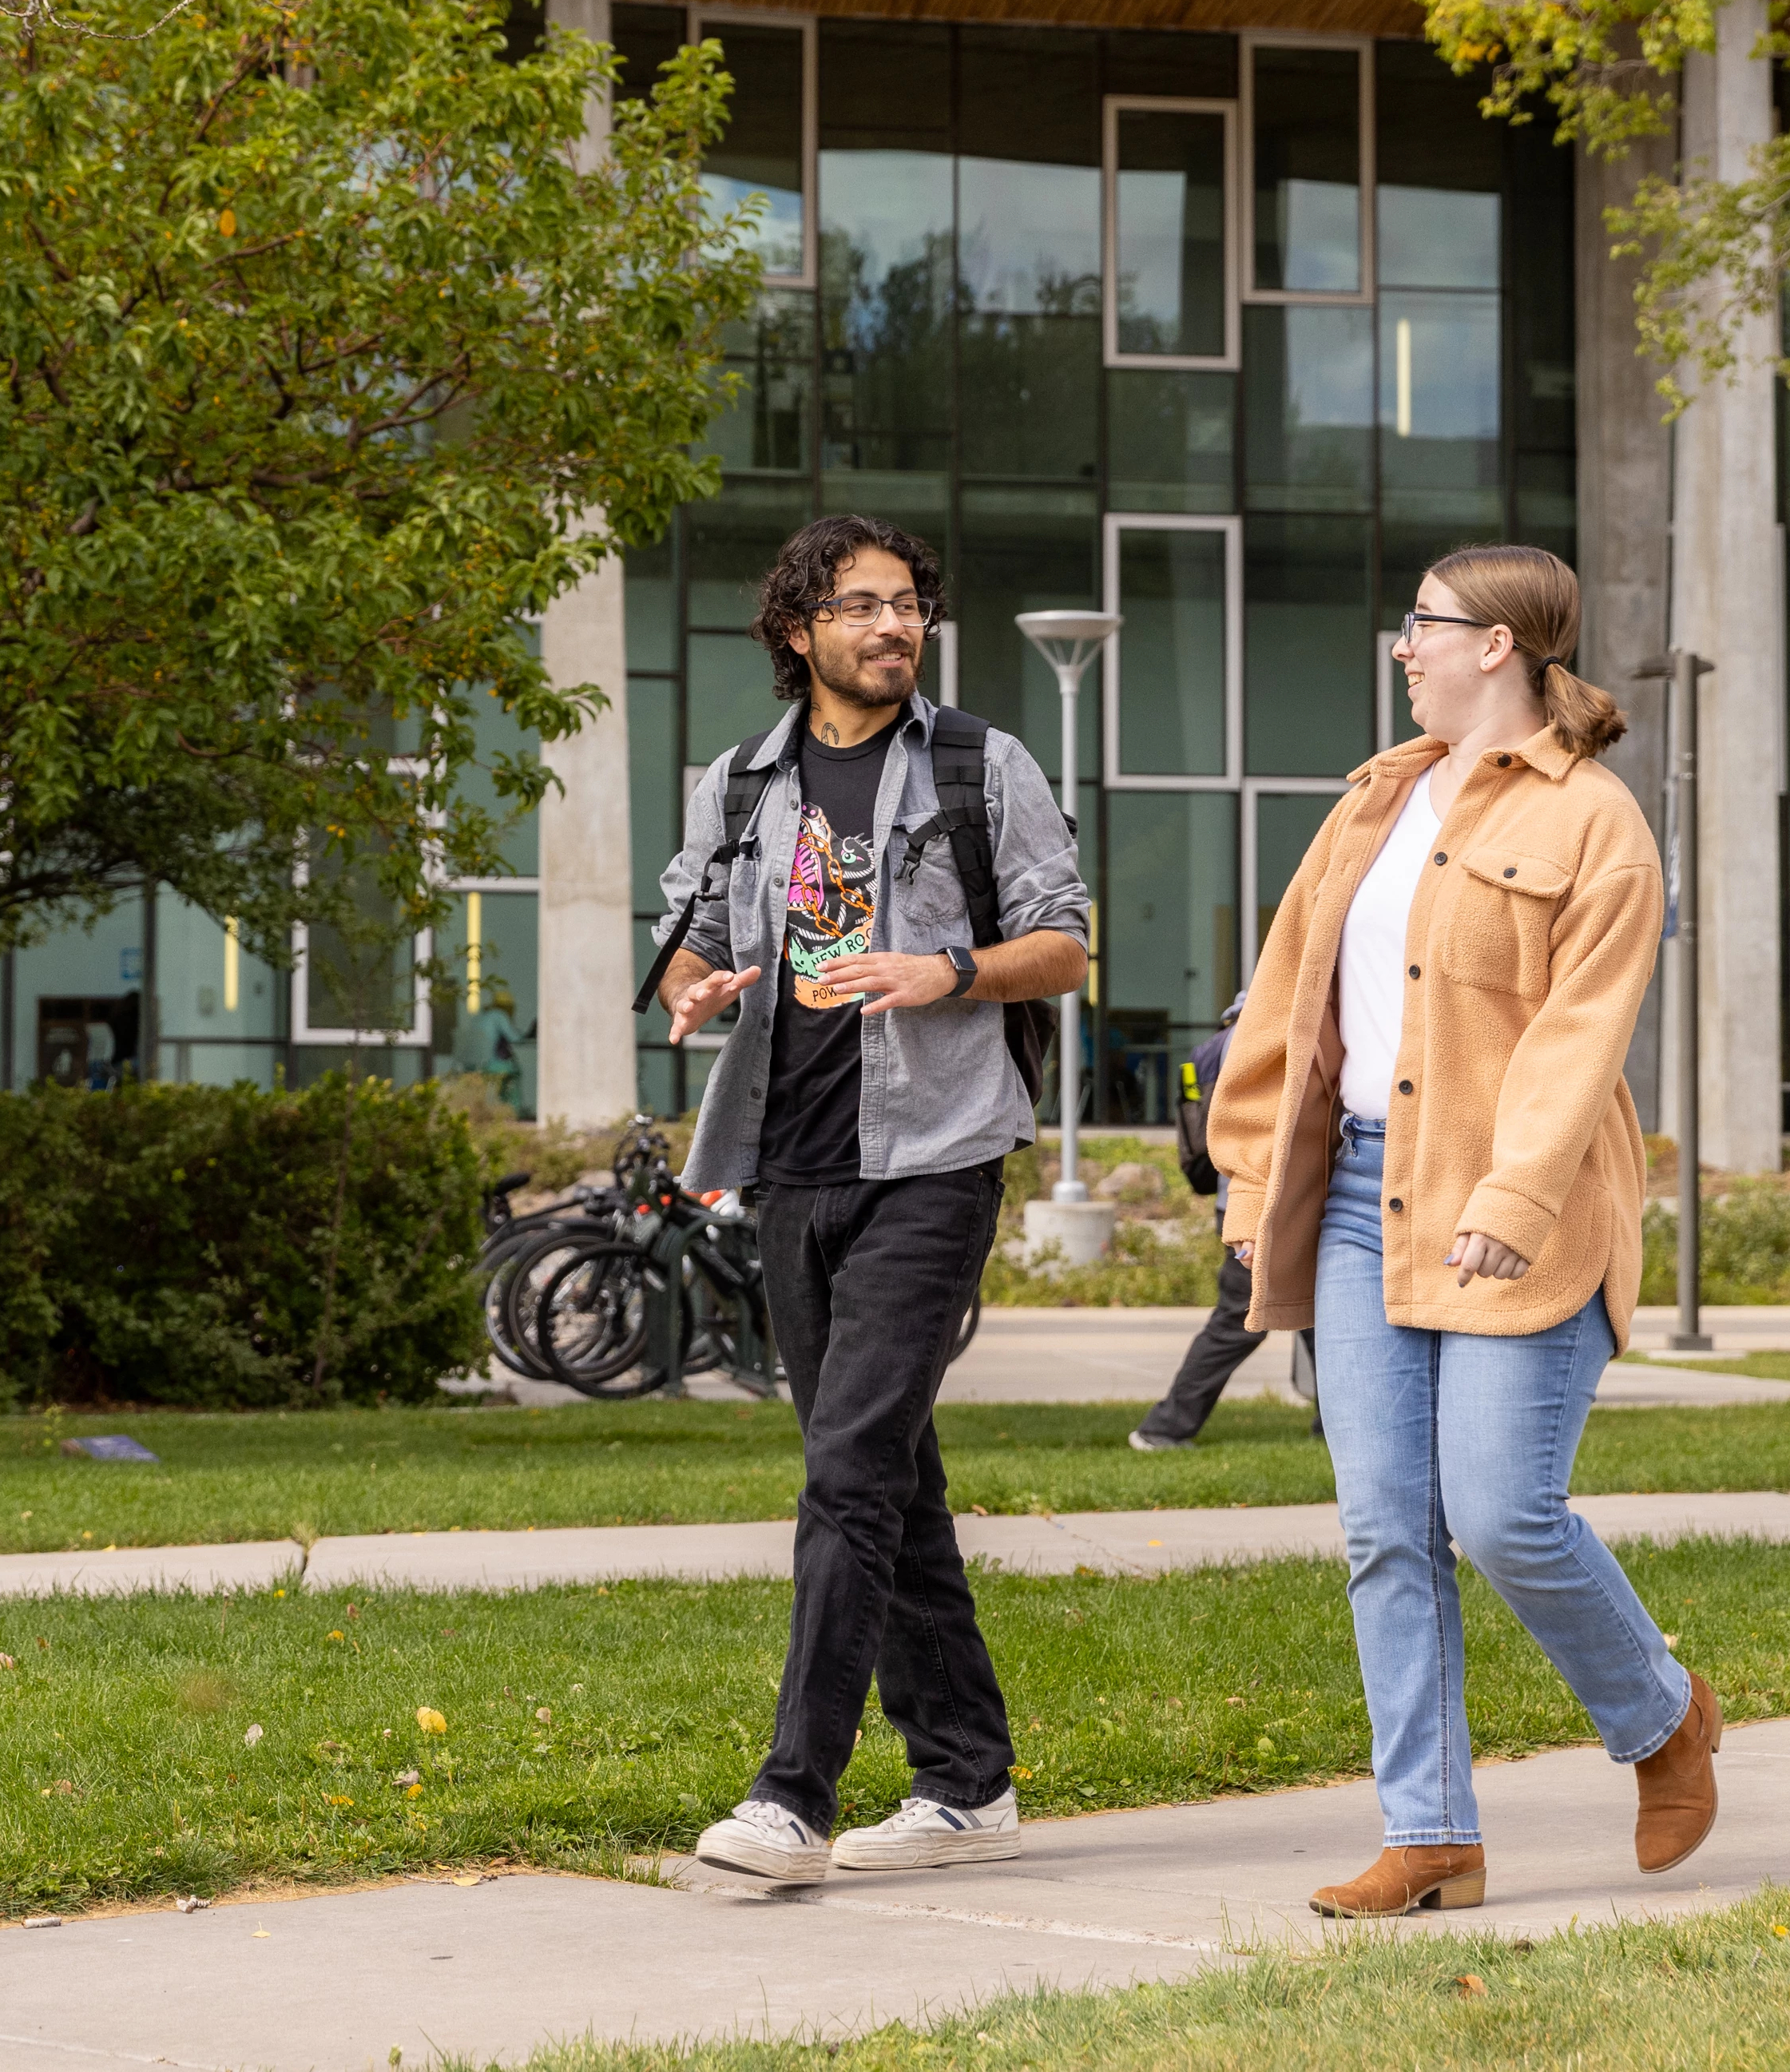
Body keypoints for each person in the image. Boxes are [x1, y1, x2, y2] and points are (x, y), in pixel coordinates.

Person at [1208, 545, 1717, 1919]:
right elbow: (1284, 1007)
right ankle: (1431, 1831)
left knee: (1502, 1510)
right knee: (1385, 1523)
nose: (1401, 647)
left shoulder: (1596, 821)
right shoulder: (1377, 797)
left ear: (1496, 644)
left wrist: (1511, 1195)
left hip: (1520, 1202)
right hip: (1371, 1201)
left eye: (1420, 624)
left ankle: (1665, 1717)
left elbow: (1579, 1035)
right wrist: (1258, 1187)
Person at [651, 514, 1091, 1887]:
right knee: (891, 1473)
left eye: (908, 604)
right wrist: (699, 987)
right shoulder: (737, 787)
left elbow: (1067, 944)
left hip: (939, 1154)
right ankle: (967, 1777)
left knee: (846, 1467)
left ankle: (794, 1795)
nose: (894, 625)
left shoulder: (978, 764)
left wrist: (942, 971)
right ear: (799, 629)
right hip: (792, 1159)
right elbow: (692, 947)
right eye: (862, 605)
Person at [1129, 995, 1276, 1450]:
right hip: (1257, 1205)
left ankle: (1329, 1426)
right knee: (1239, 1318)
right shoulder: (1258, 1042)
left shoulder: (1213, 1047)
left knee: (1315, 1312)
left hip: (1235, 1200)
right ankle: (1165, 1427)